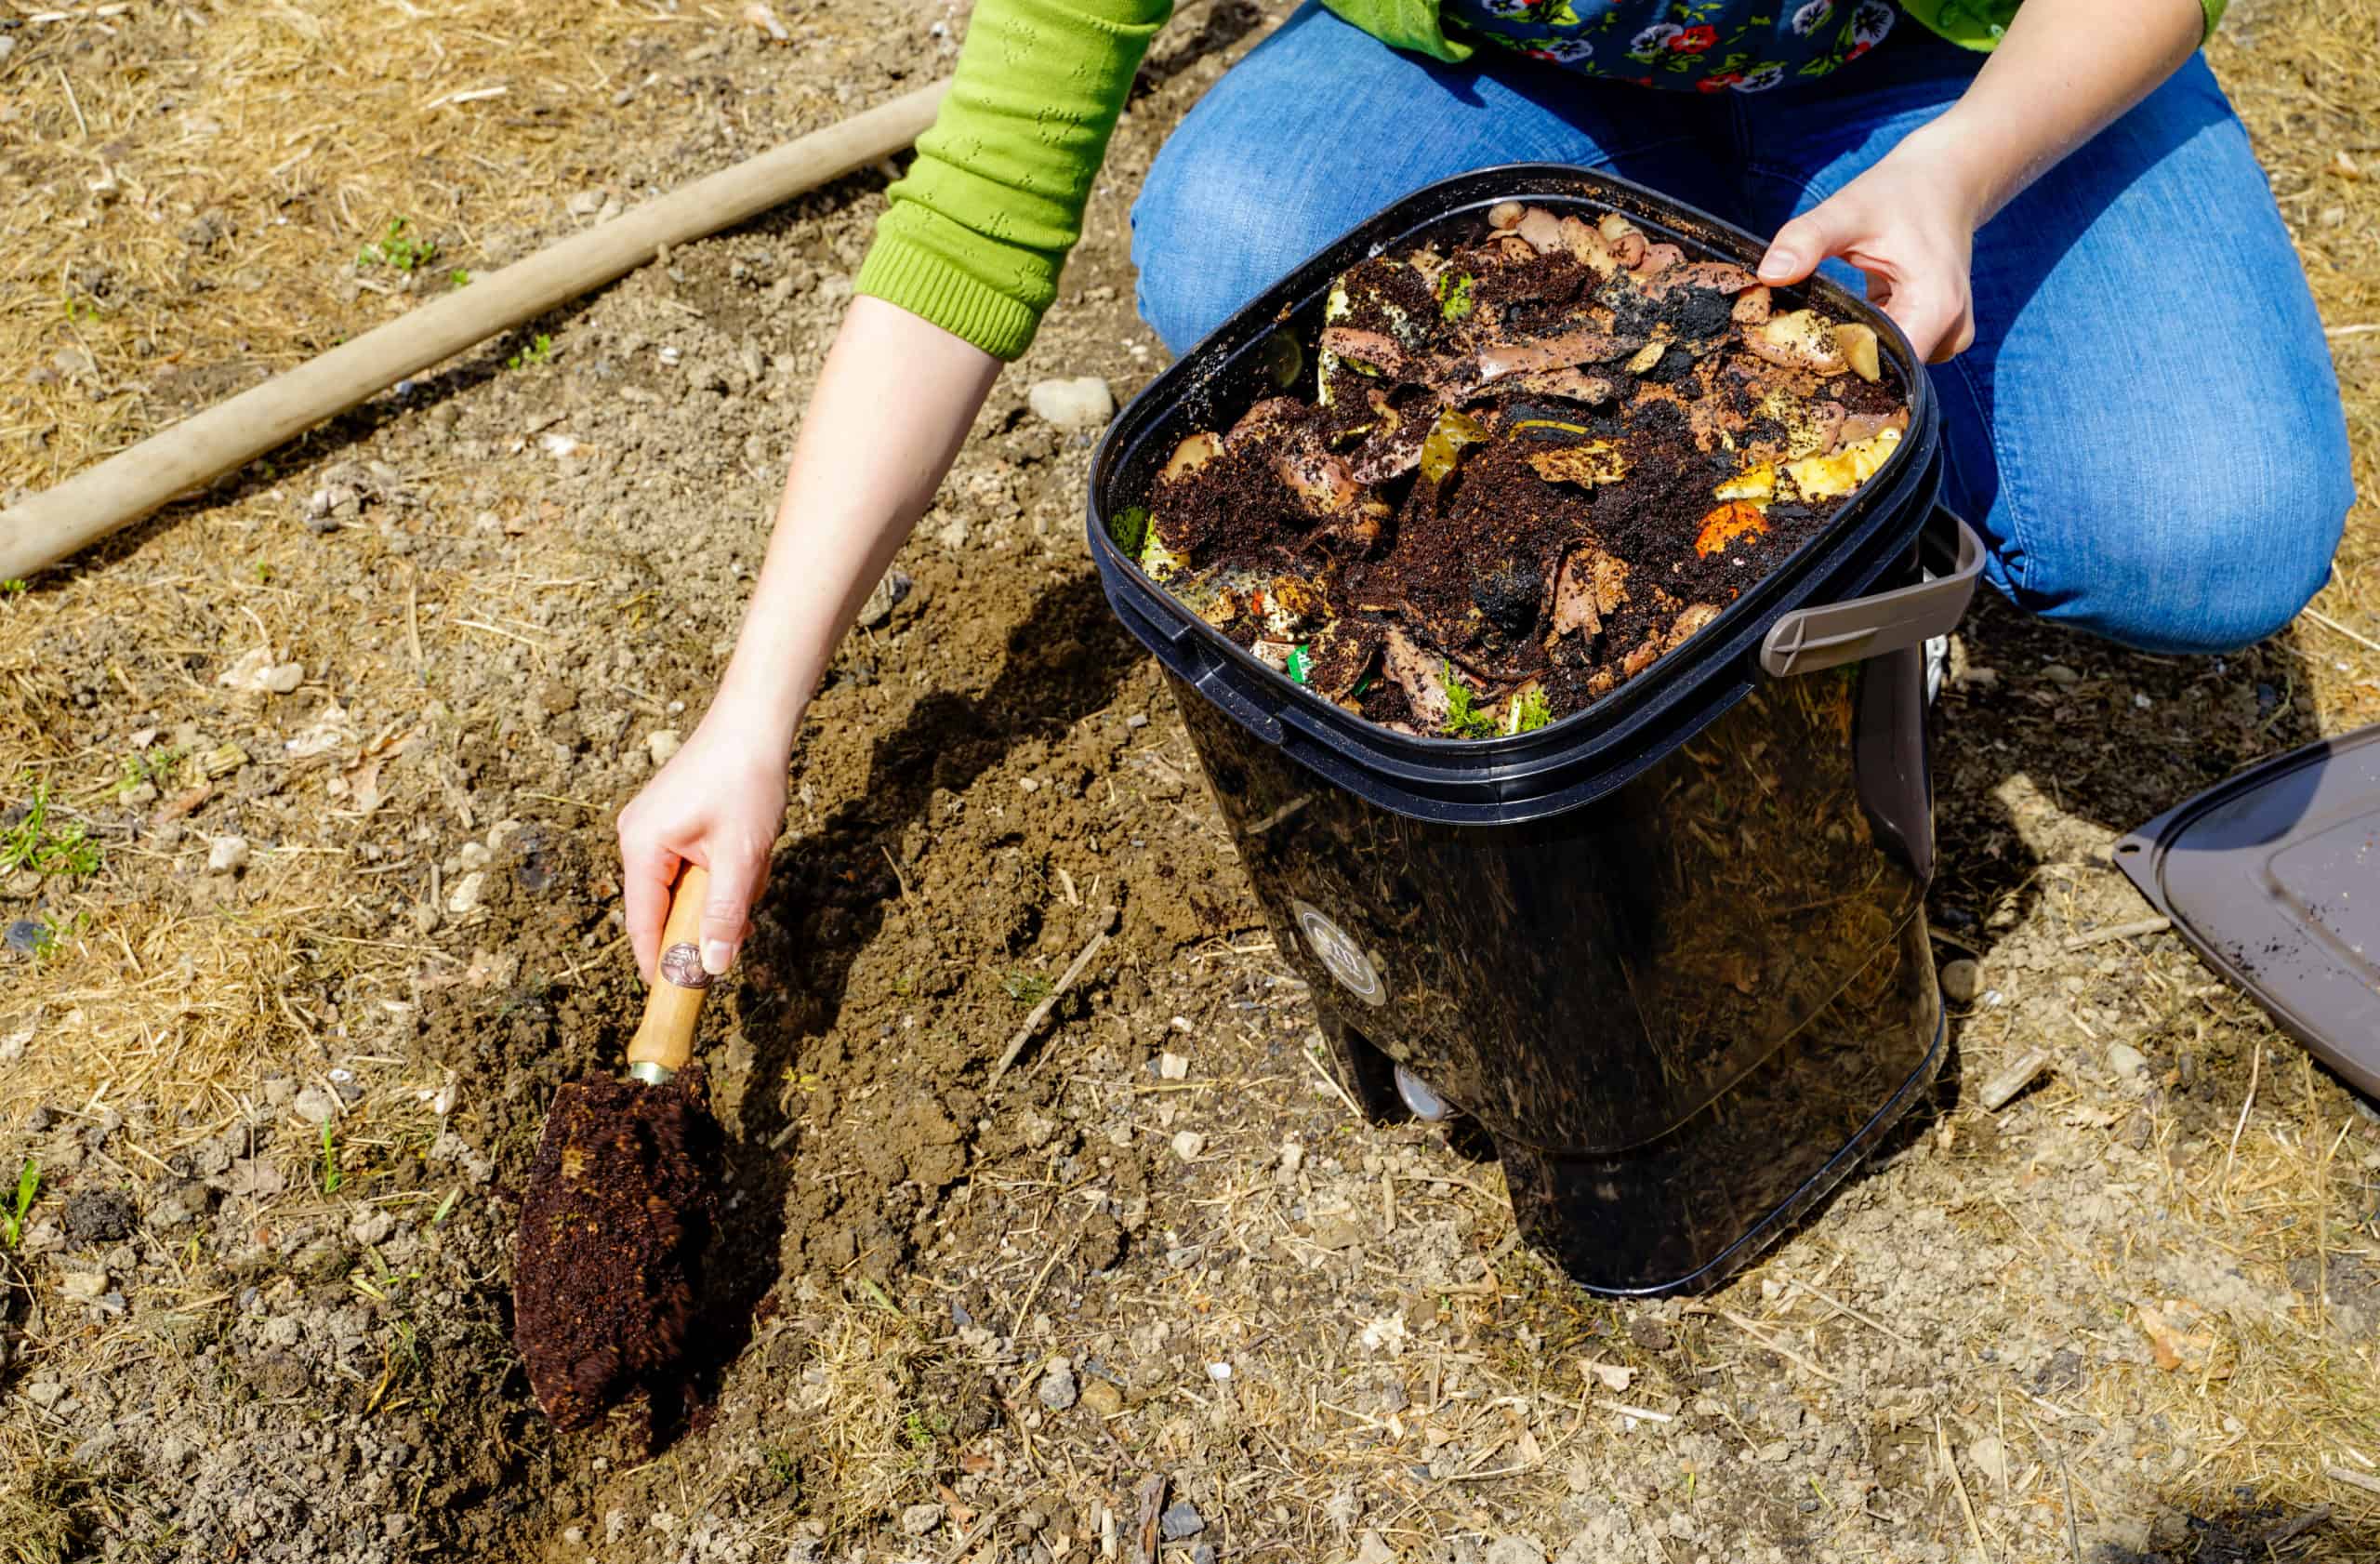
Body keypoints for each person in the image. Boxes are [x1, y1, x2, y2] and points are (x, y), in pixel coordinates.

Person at [615, 0, 2352, 983]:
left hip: (1940, 72)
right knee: (1235, 235)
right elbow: (978, 207)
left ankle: (1836, 438)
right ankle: (1683, 306)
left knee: (2205, 517)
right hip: (1528, 94)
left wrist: (1966, 168)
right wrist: (758, 709)